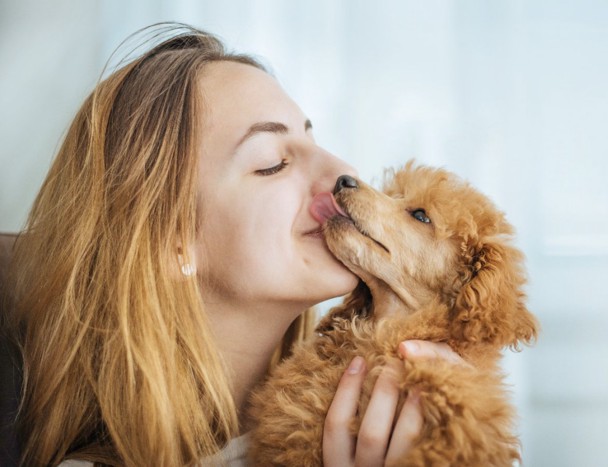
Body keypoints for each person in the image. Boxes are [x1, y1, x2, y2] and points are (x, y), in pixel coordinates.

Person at [7, 23, 465, 466]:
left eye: (313, 138)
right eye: (272, 163)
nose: (343, 172)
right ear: (173, 244)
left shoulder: (405, 412)